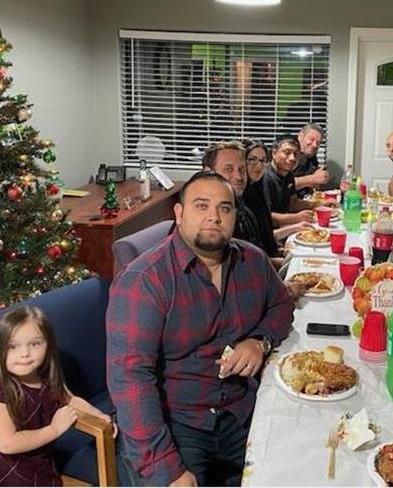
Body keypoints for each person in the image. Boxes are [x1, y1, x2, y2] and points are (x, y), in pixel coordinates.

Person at [107, 171, 294, 487]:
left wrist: (259, 342)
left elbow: (281, 305)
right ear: (179, 214)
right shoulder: (144, 281)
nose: (214, 217)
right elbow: (130, 381)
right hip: (177, 423)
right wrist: (167, 470)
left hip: (239, 410)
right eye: (201, 206)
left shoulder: (253, 260)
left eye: (224, 208)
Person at [0, 306, 112, 487]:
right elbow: (7, 443)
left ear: (48, 345)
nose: (25, 354)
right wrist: (55, 429)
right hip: (1, 476)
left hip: (37, 465)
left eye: (35, 344)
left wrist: (98, 416)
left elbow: (70, 399)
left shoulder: (46, 378)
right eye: (12, 346)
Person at [202, 141, 265, 253]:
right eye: (228, 169)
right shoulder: (208, 219)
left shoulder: (241, 207)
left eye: (242, 170)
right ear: (209, 173)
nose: (238, 176)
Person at [262, 135, 315, 227]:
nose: (292, 158)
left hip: (286, 225)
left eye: (296, 154)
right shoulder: (266, 177)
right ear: (274, 154)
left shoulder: (288, 174)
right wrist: (296, 217)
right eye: (287, 152)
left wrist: (318, 205)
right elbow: (266, 217)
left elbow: (293, 203)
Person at [293, 123, 329, 198]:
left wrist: (321, 180)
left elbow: (314, 185)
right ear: (300, 136)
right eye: (311, 139)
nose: (315, 145)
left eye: (318, 142)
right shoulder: (290, 156)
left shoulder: (312, 157)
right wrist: (312, 179)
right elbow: (282, 185)